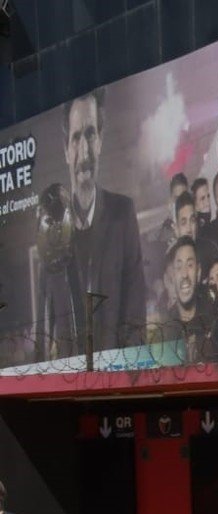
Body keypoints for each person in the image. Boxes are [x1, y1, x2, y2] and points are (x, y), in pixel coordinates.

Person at [37, 89, 146, 357]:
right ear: (65, 150)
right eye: (76, 138)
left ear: (100, 141)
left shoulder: (123, 214)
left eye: (90, 134)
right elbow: (44, 327)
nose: (84, 151)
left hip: (115, 384)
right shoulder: (49, 228)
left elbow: (135, 313)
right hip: (68, 386)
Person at [161, 237, 218, 362]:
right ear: (172, 276)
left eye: (189, 265)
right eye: (178, 267)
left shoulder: (216, 319)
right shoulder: (165, 329)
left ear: (198, 273)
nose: (184, 274)